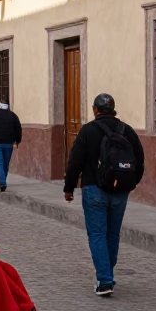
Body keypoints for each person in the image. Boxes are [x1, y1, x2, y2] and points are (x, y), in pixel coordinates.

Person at [63, 93, 145, 298]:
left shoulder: (88, 131)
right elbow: (140, 161)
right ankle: (107, 271)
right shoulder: (127, 131)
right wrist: (131, 183)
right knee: (112, 233)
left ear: (95, 110)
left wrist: (69, 188)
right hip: (120, 192)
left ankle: (105, 279)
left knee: (97, 234)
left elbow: (75, 162)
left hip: (94, 189)